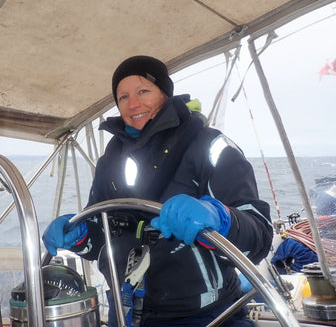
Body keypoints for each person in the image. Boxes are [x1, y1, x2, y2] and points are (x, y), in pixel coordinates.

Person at [43, 55, 273, 326]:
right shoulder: (110, 161)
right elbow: (100, 238)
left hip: (206, 317)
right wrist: (80, 236)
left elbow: (259, 236)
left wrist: (219, 218)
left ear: (165, 93)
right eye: (123, 97)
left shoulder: (210, 147)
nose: (133, 104)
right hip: (125, 310)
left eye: (143, 91)